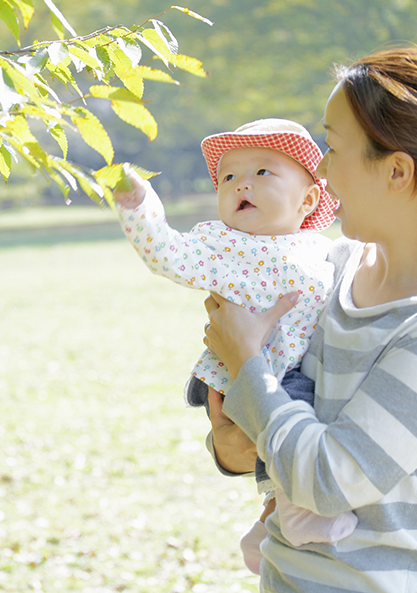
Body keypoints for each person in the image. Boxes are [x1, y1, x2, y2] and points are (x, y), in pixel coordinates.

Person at [201, 46, 417, 592]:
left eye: (333, 148)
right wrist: (230, 442)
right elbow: (259, 436)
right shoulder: (328, 270)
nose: (318, 168)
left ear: (396, 171)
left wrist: (246, 364)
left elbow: (327, 480)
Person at [112, 118, 357, 573]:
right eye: (229, 177)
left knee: (305, 416)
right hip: (241, 375)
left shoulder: (325, 249)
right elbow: (167, 253)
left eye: (263, 172)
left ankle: (271, 519)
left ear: (308, 199)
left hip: (290, 370)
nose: (242, 182)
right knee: (296, 418)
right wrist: (139, 205)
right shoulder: (223, 246)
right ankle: (295, 513)